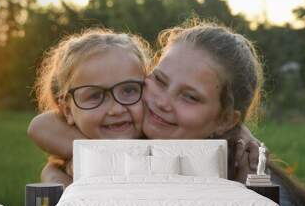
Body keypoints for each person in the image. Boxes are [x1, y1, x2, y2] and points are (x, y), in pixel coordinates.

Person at [28, 20, 262, 184]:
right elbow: (39, 126)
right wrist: (57, 175)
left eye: (190, 96)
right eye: (159, 80)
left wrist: (239, 133)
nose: (163, 103)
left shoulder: (235, 167)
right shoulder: (132, 131)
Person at [31, 28, 151, 187]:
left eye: (129, 90)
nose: (116, 110)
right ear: (67, 110)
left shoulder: (162, 136)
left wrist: (95, 157)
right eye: (95, 95)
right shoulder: (70, 168)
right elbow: (39, 126)